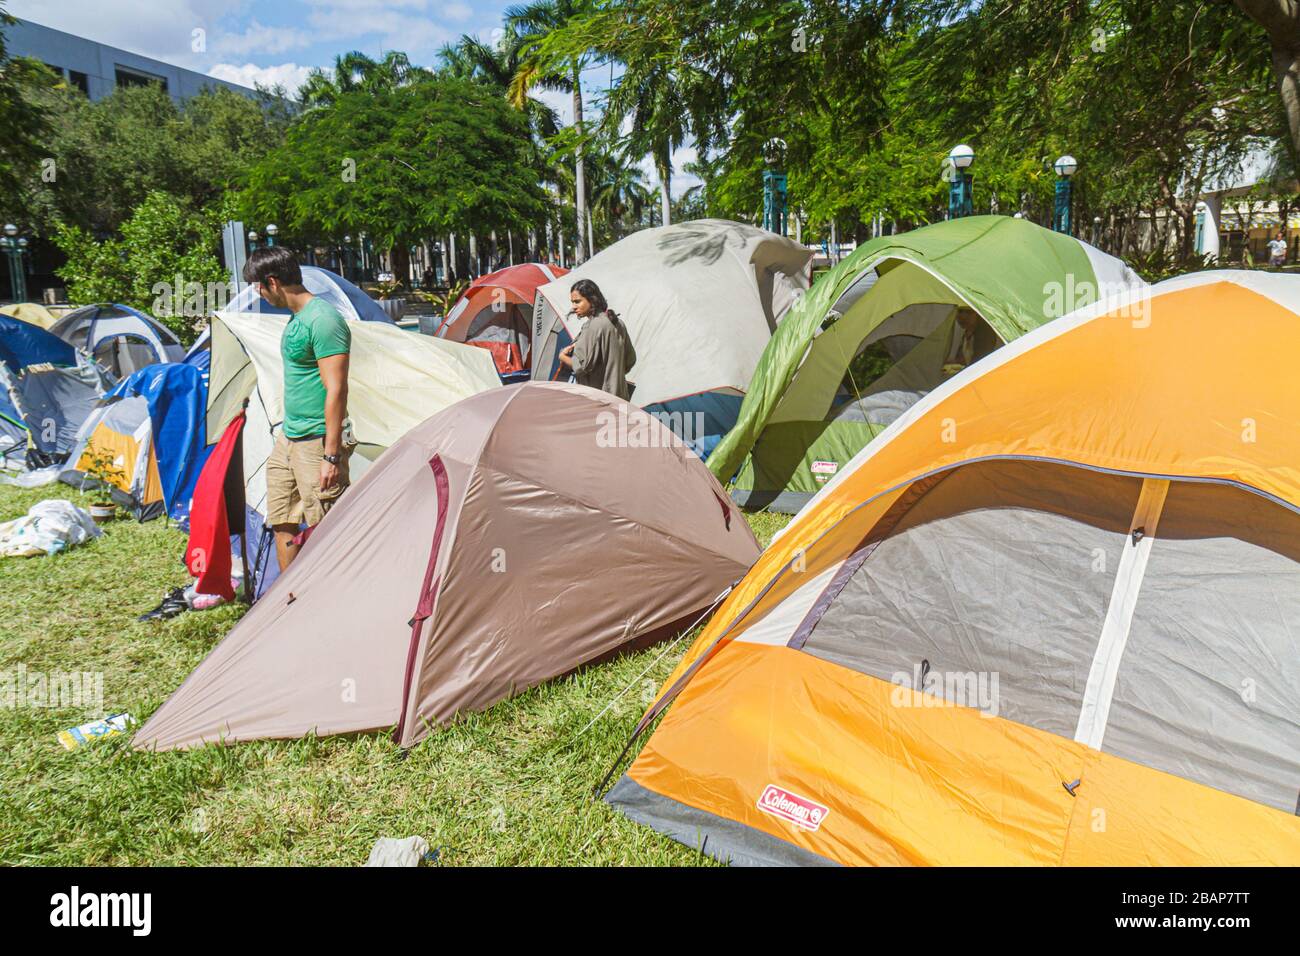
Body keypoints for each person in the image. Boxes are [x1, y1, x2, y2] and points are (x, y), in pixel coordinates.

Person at [242, 246, 352, 571]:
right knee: (282, 520)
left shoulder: (323, 320)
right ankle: (288, 602)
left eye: (258, 287)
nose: (258, 294)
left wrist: (331, 456)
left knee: (327, 528)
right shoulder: (296, 319)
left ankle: (337, 601)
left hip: (317, 442)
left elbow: (336, 389)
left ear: (273, 282)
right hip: (289, 437)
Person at [557, 278, 637, 400]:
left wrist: (562, 356)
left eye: (577, 302)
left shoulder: (593, 326)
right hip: (621, 397)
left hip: (599, 400)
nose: (573, 307)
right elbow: (630, 360)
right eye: (572, 302)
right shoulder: (617, 322)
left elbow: (581, 367)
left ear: (592, 300)